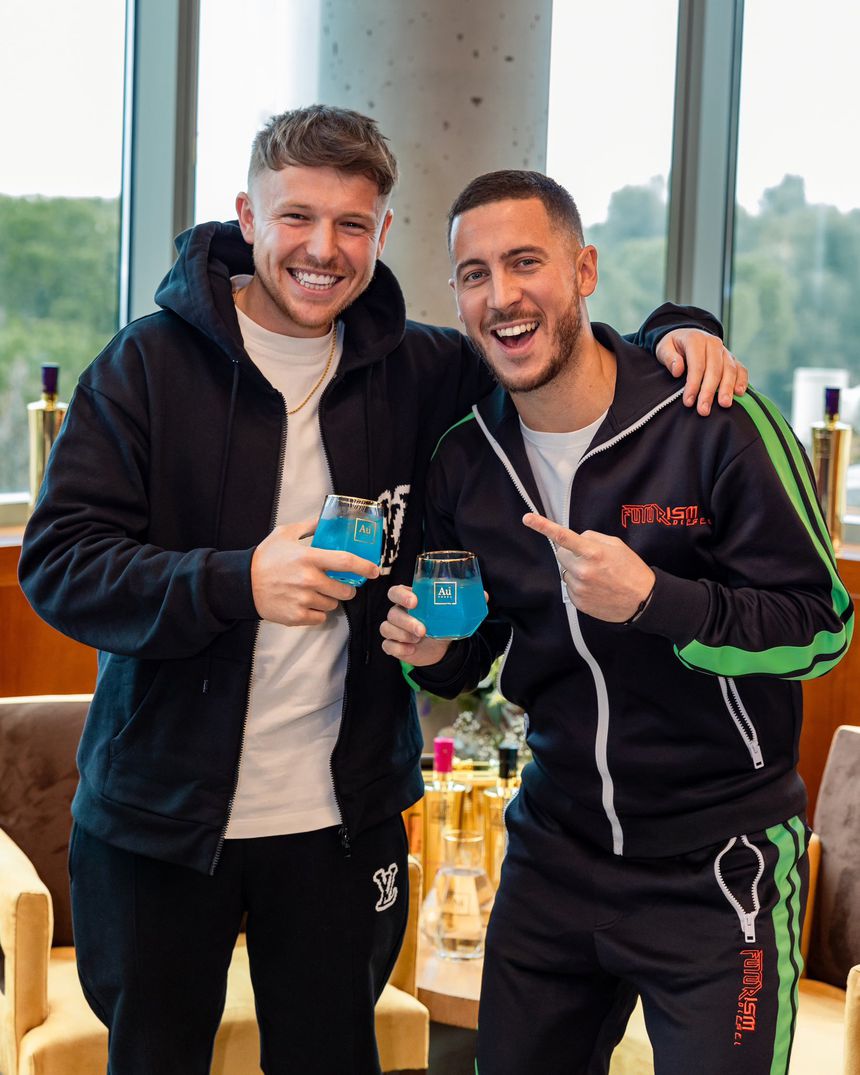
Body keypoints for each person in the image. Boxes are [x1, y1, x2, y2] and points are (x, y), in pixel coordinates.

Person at [19, 107, 743, 1075]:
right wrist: (239, 580)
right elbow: (60, 563)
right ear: (247, 216)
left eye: (351, 224)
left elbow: (545, 345)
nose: (323, 249)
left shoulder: (423, 370)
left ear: (382, 232)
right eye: (297, 217)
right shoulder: (145, 366)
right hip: (157, 823)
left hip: (341, 826)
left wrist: (676, 331)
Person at [381, 169, 854, 1075]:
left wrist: (655, 601)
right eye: (475, 274)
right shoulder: (466, 458)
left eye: (526, 262)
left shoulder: (714, 419)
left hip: (721, 866)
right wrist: (434, 654)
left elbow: (821, 626)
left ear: (585, 269)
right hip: (554, 854)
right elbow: (468, 652)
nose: (502, 295)